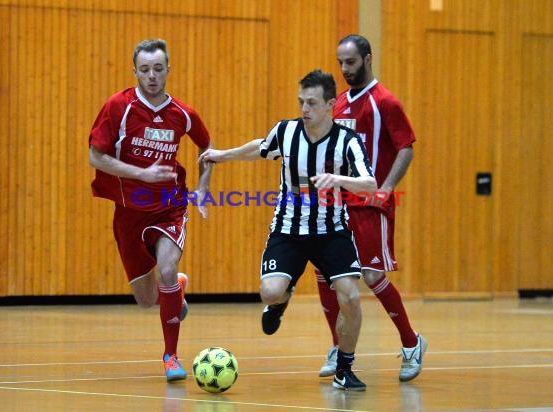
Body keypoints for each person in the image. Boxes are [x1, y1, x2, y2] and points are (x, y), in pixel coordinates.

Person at [262, 34, 427, 382]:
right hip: (333, 204)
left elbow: (406, 147)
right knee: (326, 274)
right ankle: (339, 347)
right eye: (339, 62)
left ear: (367, 59)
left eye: (350, 62)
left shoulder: (385, 102)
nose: (344, 69)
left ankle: (412, 343)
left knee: (370, 275)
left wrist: (385, 189)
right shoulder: (334, 104)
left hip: (368, 202)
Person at [199, 69, 377, 391]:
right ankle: (280, 301)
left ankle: (344, 368)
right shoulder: (287, 131)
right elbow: (261, 148)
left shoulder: (347, 142)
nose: (304, 109)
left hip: (332, 230)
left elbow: (370, 185)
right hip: (288, 229)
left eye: (311, 103)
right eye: (301, 102)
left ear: (330, 105)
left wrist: (340, 180)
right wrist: (223, 155)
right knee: (270, 291)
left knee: (350, 297)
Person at [88, 38, 213, 382]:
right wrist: (140, 174)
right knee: (146, 300)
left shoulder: (183, 114)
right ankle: (174, 292)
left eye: (158, 69)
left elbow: (206, 146)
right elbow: (95, 156)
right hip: (129, 212)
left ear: (168, 69)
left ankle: (171, 357)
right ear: (135, 72)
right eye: (145, 70)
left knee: (168, 268)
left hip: (169, 207)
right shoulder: (119, 106)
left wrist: (202, 189)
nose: (152, 76)